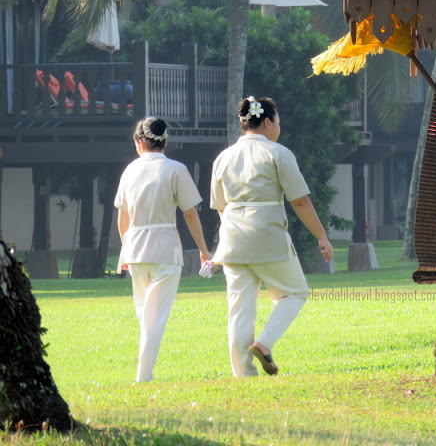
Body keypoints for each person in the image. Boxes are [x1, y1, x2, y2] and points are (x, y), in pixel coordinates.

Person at [210, 96, 333, 377]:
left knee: (239, 310)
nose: (279, 127)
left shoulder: (223, 157)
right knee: (295, 292)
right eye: (277, 121)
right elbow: (300, 201)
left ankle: (243, 374)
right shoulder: (278, 153)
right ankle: (264, 343)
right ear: (267, 122)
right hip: (267, 234)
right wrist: (322, 237)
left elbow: (220, 206)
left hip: (231, 237)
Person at [115, 116, 213, 382]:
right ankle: (143, 376)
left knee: (144, 313)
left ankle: (143, 374)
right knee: (154, 317)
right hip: (166, 249)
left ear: (139, 142)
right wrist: (204, 250)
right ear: (165, 142)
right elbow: (190, 213)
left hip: (136, 249)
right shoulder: (176, 169)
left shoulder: (129, 171)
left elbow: (123, 218)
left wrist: (126, 250)